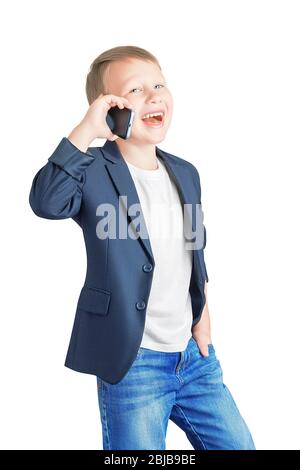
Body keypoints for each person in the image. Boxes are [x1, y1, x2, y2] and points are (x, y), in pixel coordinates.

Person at [29, 45, 255, 450]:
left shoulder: (186, 173)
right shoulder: (92, 168)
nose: (153, 95)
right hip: (135, 362)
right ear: (109, 107)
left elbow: (193, 254)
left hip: (193, 358)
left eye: (158, 84)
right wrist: (86, 129)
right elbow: (47, 202)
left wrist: (202, 316)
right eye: (134, 90)